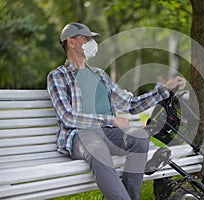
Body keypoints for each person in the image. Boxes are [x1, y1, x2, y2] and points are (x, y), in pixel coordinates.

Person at [47, 22, 186, 200]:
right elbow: (68, 117)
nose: (91, 43)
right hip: (81, 135)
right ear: (71, 42)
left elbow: (130, 104)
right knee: (98, 150)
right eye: (86, 39)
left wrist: (165, 89)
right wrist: (110, 120)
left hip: (109, 134)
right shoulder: (58, 76)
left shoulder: (100, 75)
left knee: (140, 136)